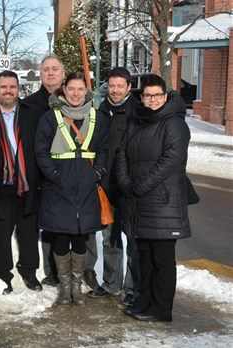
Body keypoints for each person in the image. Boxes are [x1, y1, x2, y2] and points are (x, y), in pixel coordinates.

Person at [117, 74, 191, 322]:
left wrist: (139, 186)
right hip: (139, 202)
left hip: (162, 204)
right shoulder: (136, 121)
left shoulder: (175, 124)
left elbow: (171, 161)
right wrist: (126, 182)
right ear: (141, 97)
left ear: (165, 96)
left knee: (162, 260)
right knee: (145, 257)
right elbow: (122, 155)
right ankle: (145, 301)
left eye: (157, 95)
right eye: (147, 95)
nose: (152, 100)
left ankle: (161, 309)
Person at [25, 55, 99, 290]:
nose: (50, 73)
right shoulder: (32, 103)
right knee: (52, 225)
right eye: (45, 69)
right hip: (49, 176)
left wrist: (94, 174)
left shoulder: (84, 104)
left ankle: (86, 269)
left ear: (63, 75)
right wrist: (52, 175)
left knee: (82, 226)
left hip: (80, 178)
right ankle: (53, 271)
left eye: (55, 69)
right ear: (40, 73)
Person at [35, 72, 109, 305]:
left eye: (80, 89)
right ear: (63, 91)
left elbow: (105, 150)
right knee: (61, 235)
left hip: (86, 188)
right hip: (58, 188)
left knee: (80, 237)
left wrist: (96, 173)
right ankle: (64, 285)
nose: (76, 94)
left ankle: (76, 284)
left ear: (85, 92)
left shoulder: (97, 117)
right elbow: (41, 151)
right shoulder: (50, 117)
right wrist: (55, 176)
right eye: (71, 89)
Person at [0, 70, 43, 294]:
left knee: (29, 227)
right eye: (3, 87)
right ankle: (2, 274)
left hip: (27, 180)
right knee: (1, 229)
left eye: (12, 87)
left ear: (18, 89)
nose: (8, 91)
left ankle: (29, 269)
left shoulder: (32, 113)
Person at [88, 67, 141, 306]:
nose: (116, 90)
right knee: (110, 240)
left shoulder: (137, 113)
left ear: (129, 87)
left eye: (120, 86)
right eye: (112, 85)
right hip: (106, 186)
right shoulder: (100, 112)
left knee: (132, 241)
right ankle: (111, 284)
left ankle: (132, 288)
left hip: (129, 188)